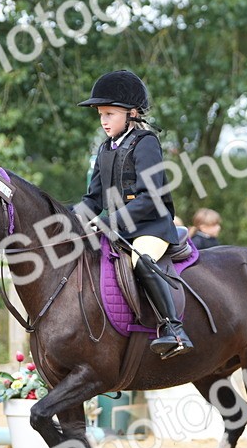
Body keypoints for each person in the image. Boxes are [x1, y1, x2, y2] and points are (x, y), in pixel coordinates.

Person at [73, 69, 191, 359]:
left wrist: (109, 221)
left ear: (132, 113)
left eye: (110, 113)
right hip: (119, 229)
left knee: (142, 258)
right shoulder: (105, 148)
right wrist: (67, 221)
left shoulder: (146, 142)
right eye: (101, 114)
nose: (103, 120)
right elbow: (94, 198)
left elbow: (150, 199)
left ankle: (174, 330)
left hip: (151, 227)